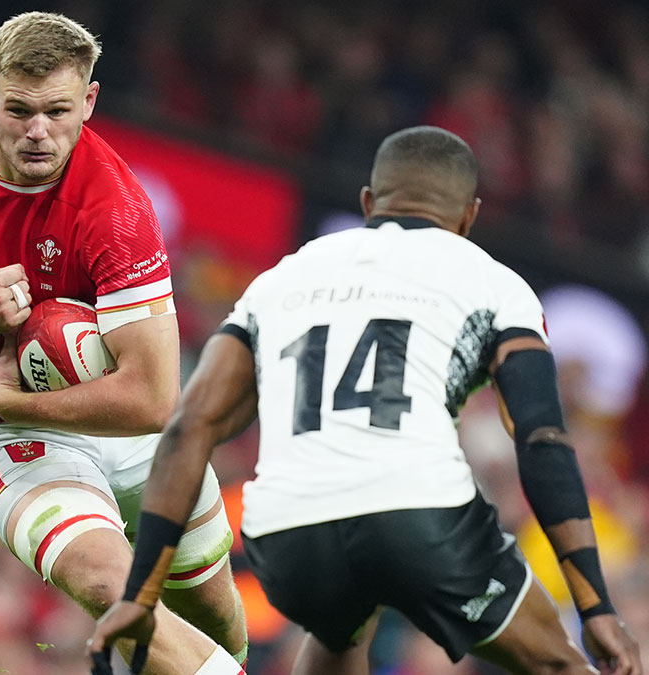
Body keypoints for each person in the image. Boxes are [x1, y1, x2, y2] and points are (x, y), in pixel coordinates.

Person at [89, 126, 643, 675]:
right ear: (469, 218)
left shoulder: (282, 277)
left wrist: (140, 595)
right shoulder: (496, 283)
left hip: (285, 532)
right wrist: (595, 605)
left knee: (338, 632)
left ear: (369, 203)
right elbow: (541, 440)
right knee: (557, 664)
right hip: (416, 516)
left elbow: (190, 428)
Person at [0, 12, 248, 675]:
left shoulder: (119, 211)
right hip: (9, 437)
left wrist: (23, 400)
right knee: (111, 587)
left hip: (117, 424)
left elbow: (150, 401)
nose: (37, 130)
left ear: (90, 101)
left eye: (58, 110)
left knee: (214, 615)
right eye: (19, 109)